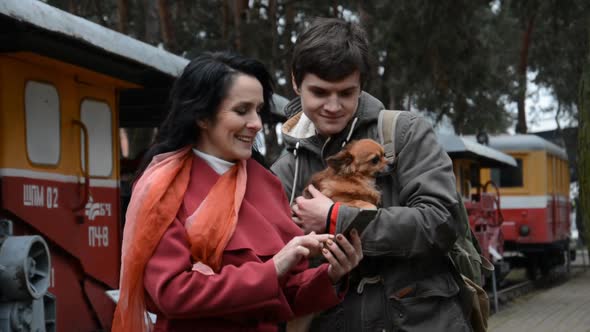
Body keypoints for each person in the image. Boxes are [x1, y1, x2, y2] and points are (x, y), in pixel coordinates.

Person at [112, 52, 363, 332]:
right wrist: (271, 270)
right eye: (242, 110)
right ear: (202, 116)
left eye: (258, 110)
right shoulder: (162, 186)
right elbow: (172, 293)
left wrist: (330, 275)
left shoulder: (266, 183)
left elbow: (287, 292)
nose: (256, 123)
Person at [271, 18, 472, 331]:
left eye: (346, 92)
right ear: (296, 83)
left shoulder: (402, 134)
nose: (333, 106)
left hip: (420, 321)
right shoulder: (286, 171)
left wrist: (339, 217)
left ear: (362, 84)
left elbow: (442, 222)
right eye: (320, 92)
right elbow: (281, 274)